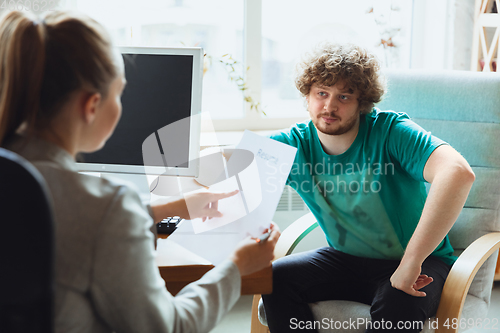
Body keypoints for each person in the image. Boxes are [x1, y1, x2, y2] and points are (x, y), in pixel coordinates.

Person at [0, 10, 280, 333]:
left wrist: (169, 208)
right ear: (91, 106)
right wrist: (237, 267)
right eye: (120, 93)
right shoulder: (107, 209)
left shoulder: (19, 179)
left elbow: (59, 218)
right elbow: (169, 327)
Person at [261, 43, 475, 332]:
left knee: (398, 304)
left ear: (362, 101)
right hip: (345, 260)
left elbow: (458, 173)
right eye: (321, 93)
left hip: (420, 262)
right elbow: (237, 165)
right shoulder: (294, 144)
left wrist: (412, 262)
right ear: (307, 96)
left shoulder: (391, 132)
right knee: (275, 279)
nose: (329, 106)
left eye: (344, 96)